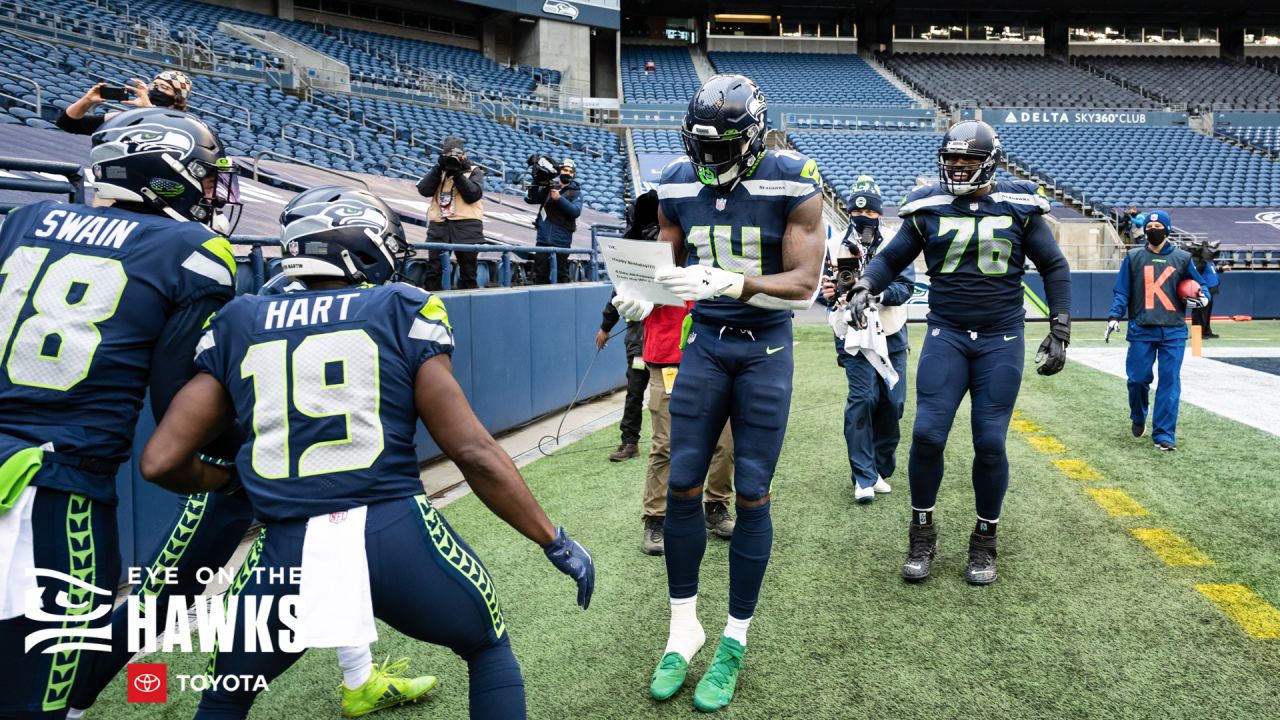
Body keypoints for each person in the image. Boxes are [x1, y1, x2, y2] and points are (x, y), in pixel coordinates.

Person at [139, 187, 595, 720]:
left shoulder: (241, 320)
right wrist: (552, 539)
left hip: (287, 545)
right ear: (364, 247)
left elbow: (161, 462)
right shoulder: (398, 307)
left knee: (226, 691)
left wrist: (232, 483)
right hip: (393, 531)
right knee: (487, 648)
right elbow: (473, 452)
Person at [68, 190, 441, 720]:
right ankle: (64, 704)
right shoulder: (286, 303)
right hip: (238, 468)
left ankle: (359, 680)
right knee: (162, 601)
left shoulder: (266, 299)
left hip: (275, 469)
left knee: (330, 562)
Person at [0, 107, 237, 719]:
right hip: (53, 492)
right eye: (207, 176)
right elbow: (175, 409)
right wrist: (226, 471)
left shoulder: (24, 218)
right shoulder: (192, 249)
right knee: (41, 701)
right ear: (167, 172)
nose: (214, 191)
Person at [612, 73, 823, 713]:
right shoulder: (677, 180)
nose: (708, 162)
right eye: (700, 148)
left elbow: (806, 282)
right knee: (681, 481)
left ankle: (734, 637)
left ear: (753, 138)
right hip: (703, 343)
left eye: (722, 149)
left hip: (765, 349)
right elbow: (666, 261)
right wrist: (640, 287)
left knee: (752, 490)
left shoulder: (793, 177)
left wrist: (738, 284)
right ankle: (684, 627)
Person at [847, 120, 1072, 586]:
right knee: (928, 434)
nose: (957, 167)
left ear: (988, 161)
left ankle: (985, 539)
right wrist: (867, 285)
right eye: (951, 159)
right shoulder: (929, 205)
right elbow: (893, 258)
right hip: (947, 333)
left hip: (1000, 339)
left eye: (967, 160)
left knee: (990, 442)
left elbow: (1053, 264)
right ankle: (921, 534)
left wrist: (1061, 326)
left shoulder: (1019, 205)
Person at [819, 176, 915, 503]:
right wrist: (828, 293)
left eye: (871, 215)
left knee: (893, 404)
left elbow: (906, 288)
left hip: (890, 333)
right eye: (858, 214)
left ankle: (878, 468)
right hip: (853, 333)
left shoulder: (895, 243)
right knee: (863, 400)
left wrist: (874, 292)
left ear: (879, 215)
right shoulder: (835, 244)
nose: (864, 220)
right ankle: (862, 475)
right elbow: (823, 291)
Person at [1105, 210, 1209, 451]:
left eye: (1157, 225)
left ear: (1167, 230)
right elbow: (1122, 291)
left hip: (1173, 330)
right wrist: (1114, 316)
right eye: (1149, 226)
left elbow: (1199, 285)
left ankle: (1164, 434)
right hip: (1141, 328)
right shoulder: (1133, 257)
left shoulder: (1183, 258)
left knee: (1170, 382)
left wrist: (1202, 297)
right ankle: (1138, 415)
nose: (1152, 229)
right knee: (1137, 380)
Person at [417, 135, 485, 290]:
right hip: (439, 225)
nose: (453, 158)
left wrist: (458, 174)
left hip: (467, 226)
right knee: (434, 270)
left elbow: (473, 195)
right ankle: (432, 304)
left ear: (463, 155)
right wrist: (438, 168)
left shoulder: (474, 170)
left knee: (468, 272)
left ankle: (469, 305)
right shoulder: (438, 170)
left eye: (457, 155)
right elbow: (424, 190)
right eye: (449, 155)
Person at [56, 70, 193, 135]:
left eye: (164, 87)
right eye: (154, 85)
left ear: (178, 98)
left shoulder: (186, 124)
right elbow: (67, 124)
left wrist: (149, 110)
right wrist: (87, 101)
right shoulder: (130, 118)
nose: (156, 90)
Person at [598, 291, 647, 462]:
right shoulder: (627, 272)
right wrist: (605, 328)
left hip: (665, 349)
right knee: (634, 392)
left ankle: (674, 442)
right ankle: (630, 442)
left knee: (668, 396)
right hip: (639, 349)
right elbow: (615, 300)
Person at [524, 157, 582, 285]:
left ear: (574, 174)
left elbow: (575, 212)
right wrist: (537, 179)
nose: (567, 173)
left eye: (570, 171)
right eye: (565, 170)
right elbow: (530, 199)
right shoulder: (549, 186)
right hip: (543, 240)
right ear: (559, 171)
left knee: (561, 276)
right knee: (540, 275)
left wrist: (559, 199)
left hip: (561, 242)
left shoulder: (576, 192)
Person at [1188, 238, 1223, 339]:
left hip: (1211, 289)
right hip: (1202, 290)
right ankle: (1198, 333)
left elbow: (1212, 271)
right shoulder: (1200, 262)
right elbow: (1195, 274)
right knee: (1199, 312)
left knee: (1207, 312)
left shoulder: (1209, 262)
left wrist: (1221, 269)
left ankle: (1206, 330)